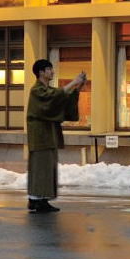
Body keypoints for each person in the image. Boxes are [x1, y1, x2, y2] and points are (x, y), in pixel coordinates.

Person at [26, 59, 86, 213]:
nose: (52, 71)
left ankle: (39, 199)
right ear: (40, 72)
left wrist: (76, 88)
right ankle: (38, 200)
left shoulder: (46, 90)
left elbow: (59, 98)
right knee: (41, 167)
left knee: (47, 167)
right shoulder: (37, 90)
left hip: (48, 134)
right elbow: (54, 97)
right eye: (49, 69)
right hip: (40, 135)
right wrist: (73, 82)